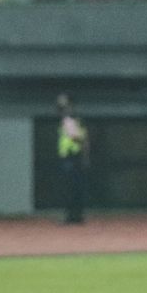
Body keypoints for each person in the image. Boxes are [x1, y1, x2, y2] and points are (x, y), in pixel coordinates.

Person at [57, 93, 89, 224]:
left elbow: (77, 137)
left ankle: (72, 216)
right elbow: (85, 139)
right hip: (75, 156)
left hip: (71, 156)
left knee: (70, 187)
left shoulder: (69, 119)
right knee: (76, 187)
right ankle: (77, 215)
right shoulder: (76, 120)